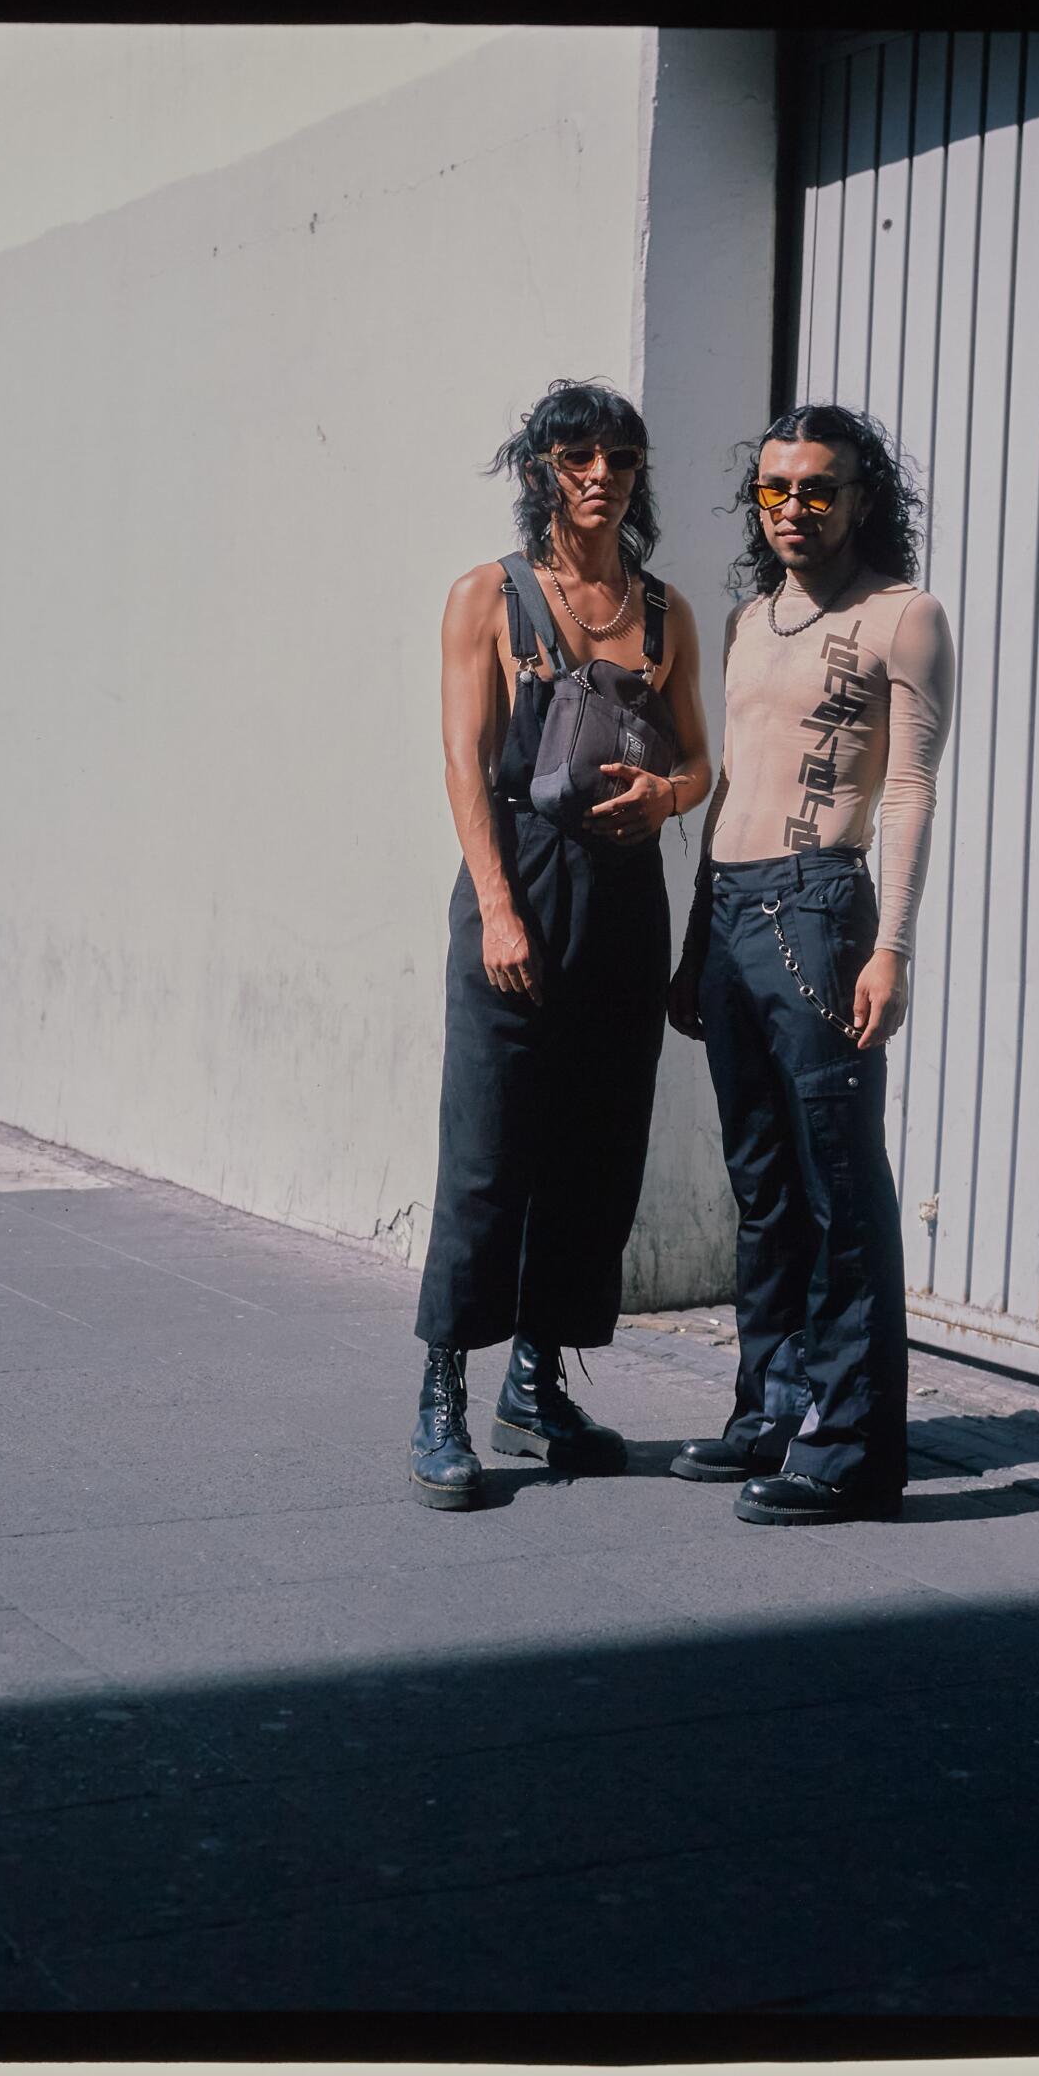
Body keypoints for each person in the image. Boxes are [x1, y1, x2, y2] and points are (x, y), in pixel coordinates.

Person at [410, 380, 712, 1509]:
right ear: (537, 469)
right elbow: (461, 758)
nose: (599, 476)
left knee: (596, 1150)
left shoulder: (665, 611)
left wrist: (669, 800)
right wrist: (494, 905)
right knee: (488, 1148)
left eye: (620, 459)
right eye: (576, 456)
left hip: (623, 894)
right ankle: (442, 1389)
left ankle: (534, 1386)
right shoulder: (485, 598)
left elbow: (698, 761)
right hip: (519, 881)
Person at [668, 405, 955, 1524]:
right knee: (762, 1183)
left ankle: (851, 1449)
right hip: (733, 908)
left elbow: (909, 787)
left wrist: (892, 946)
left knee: (838, 1187)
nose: (796, 508)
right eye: (776, 489)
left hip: (819, 908)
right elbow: (734, 781)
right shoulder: (749, 620)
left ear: (862, 497)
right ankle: (770, 1408)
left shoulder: (902, 617)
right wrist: (698, 935)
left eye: (819, 489)